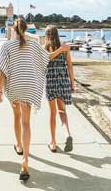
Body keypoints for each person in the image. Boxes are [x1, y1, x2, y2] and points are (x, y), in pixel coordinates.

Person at [0, 18, 68, 181]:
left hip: (14, 85)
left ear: (13, 30)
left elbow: (3, 70)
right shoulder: (34, 45)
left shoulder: (7, 46)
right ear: (26, 29)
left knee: (16, 117)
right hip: (29, 85)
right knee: (26, 123)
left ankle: (19, 146)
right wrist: (62, 50)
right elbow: (47, 59)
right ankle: (25, 160)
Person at [44, 25, 75, 153]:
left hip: (51, 81)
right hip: (63, 81)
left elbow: (47, 58)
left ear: (47, 35)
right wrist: (72, 83)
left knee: (52, 113)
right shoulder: (65, 47)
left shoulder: (45, 47)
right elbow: (70, 66)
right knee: (62, 111)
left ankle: (53, 142)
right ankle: (67, 133)